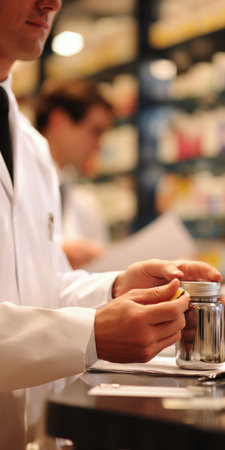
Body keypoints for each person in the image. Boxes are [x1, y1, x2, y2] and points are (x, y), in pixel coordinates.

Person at [0, 1, 222, 449]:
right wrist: (90, 333)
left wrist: (118, 289)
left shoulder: (33, 150)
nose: (52, 2)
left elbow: (42, 288)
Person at [34, 79, 113, 269]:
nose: (98, 146)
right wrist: (56, 254)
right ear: (59, 120)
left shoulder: (79, 198)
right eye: (95, 131)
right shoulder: (14, 179)